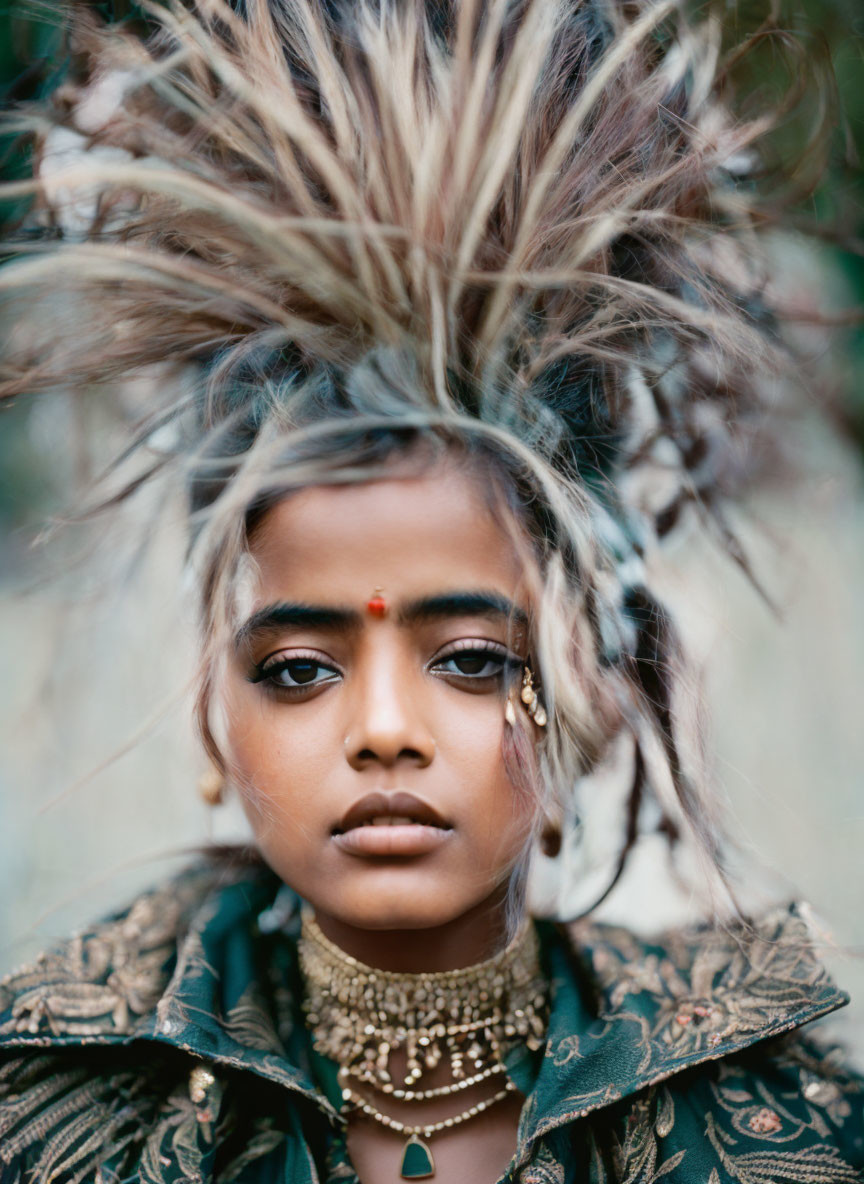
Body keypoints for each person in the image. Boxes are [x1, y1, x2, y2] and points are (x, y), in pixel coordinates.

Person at [0, 1, 862, 1181]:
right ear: (212, 713)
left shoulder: (780, 1127)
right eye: (299, 670)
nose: (387, 731)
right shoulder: (49, 1123)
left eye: (470, 657)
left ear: (585, 689)